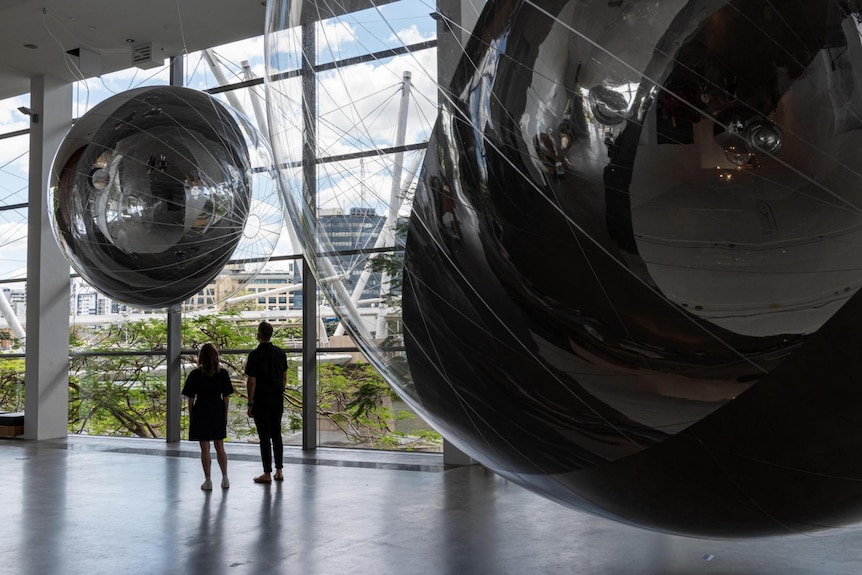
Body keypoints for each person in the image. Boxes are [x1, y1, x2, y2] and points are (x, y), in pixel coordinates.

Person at [182, 343, 234, 491]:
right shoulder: (222, 374)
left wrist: (192, 416)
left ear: (201, 358)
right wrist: (224, 414)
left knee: (204, 448)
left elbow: (190, 399)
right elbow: (226, 397)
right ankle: (225, 478)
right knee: (220, 446)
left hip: (201, 410)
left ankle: (208, 480)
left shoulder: (195, 375)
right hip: (217, 409)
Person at [245, 321, 288, 484]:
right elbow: (284, 377)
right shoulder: (280, 353)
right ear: (271, 334)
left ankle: (267, 473)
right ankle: (279, 470)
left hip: (261, 400)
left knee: (264, 437)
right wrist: (280, 391)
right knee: (277, 434)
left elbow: (252, 381)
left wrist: (250, 403)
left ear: (258, 334)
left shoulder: (254, 355)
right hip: (277, 398)